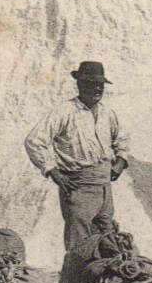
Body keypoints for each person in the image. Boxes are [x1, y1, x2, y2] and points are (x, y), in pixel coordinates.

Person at [23, 58, 131, 254]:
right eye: (91, 84)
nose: (97, 89)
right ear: (80, 85)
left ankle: (100, 282)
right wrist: (53, 172)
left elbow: (122, 139)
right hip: (78, 185)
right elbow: (34, 141)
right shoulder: (65, 111)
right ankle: (76, 281)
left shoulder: (107, 113)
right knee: (79, 243)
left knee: (108, 238)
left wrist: (120, 162)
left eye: (100, 85)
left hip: (104, 183)